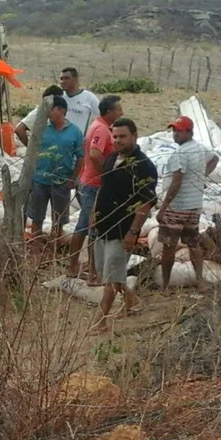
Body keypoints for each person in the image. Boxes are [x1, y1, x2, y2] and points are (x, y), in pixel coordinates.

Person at [88, 117, 158, 335]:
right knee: (109, 273)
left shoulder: (143, 166)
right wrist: (93, 212)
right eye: (115, 136)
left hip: (122, 229)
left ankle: (101, 322)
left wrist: (133, 232)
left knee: (110, 278)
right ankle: (132, 301)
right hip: (103, 225)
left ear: (135, 136)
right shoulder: (110, 159)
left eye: (122, 137)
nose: (117, 140)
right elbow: (104, 187)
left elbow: (146, 203)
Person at [157, 116, 219, 292]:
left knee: (169, 246)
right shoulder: (199, 148)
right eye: (174, 130)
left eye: (179, 131)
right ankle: (200, 282)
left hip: (177, 206)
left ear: (189, 132)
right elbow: (214, 158)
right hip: (194, 206)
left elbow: (176, 182)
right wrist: (200, 177)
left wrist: (164, 207)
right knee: (194, 244)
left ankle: (166, 285)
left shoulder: (181, 153)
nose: (175, 134)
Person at [66, 94, 123, 285]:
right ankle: (91, 273)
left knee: (87, 225)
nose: (121, 112)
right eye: (118, 109)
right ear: (109, 112)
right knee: (90, 227)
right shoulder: (101, 129)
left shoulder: (102, 126)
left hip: (90, 182)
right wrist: (105, 176)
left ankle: (76, 267)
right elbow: (95, 153)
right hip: (94, 184)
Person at [26, 95, 84, 261]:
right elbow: (31, 149)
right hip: (39, 181)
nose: (48, 114)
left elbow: (81, 157)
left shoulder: (75, 132)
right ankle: (36, 253)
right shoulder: (42, 128)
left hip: (61, 183)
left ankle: (52, 253)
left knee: (58, 221)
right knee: (37, 218)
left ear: (61, 110)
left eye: (51, 109)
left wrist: (73, 178)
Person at [15, 68, 99, 145]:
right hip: (56, 149)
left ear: (76, 79)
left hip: (78, 148)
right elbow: (20, 128)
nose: (63, 81)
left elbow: (101, 119)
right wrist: (33, 152)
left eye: (66, 78)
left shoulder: (89, 98)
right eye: (61, 79)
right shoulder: (56, 98)